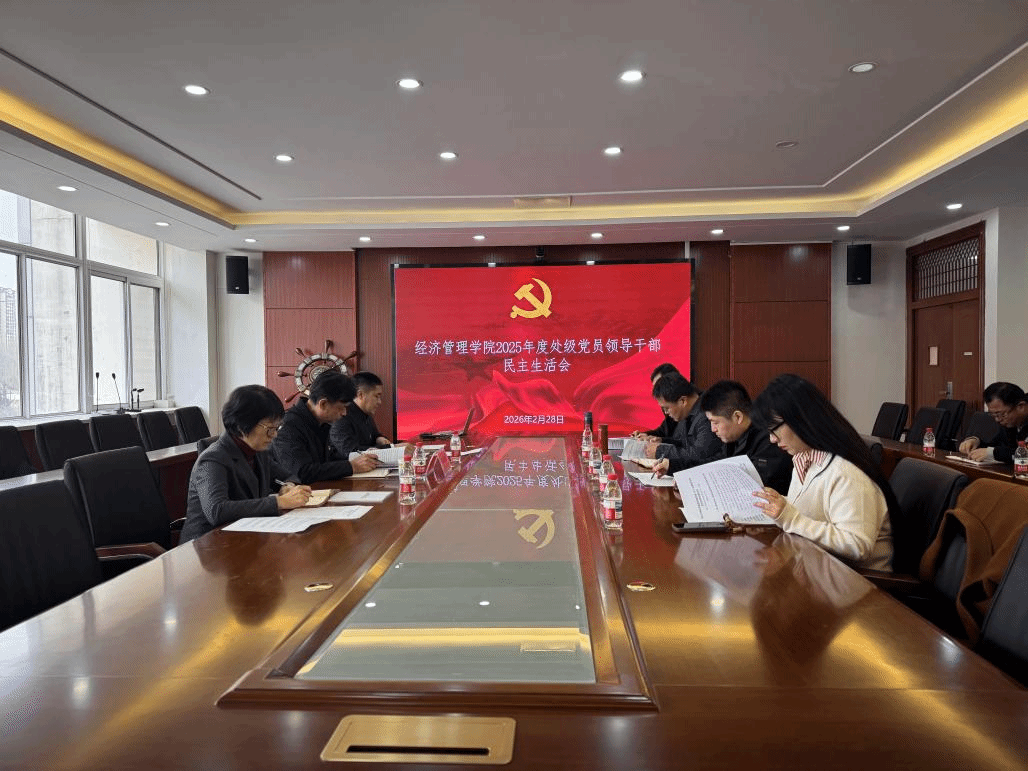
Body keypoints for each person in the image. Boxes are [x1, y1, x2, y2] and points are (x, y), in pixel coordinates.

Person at [749, 374, 897, 571]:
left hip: (857, 582)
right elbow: (814, 511)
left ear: (799, 419)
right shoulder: (804, 458)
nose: (772, 439)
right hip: (819, 570)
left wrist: (790, 518)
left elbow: (857, 545)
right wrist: (779, 504)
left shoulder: (847, 473)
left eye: (773, 429)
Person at [180, 385, 312, 543]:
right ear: (242, 425)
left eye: (277, 427)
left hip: (244, 537)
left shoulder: (257, 452)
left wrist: (288, 486)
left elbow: (288, 476)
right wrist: (279, 502)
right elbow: (217, 510)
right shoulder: (212, 459)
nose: (275, 434)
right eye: (270, 428)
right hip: (206, 546)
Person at [654, 379, 791, 493]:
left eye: (715, 422)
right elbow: (715, 463)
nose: (713, 429)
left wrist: (695, 481)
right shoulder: (734, 436)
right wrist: (673, 466)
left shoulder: (770, 440)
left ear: (737, 417)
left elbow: (750, 483)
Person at [272, 370, 378, 483]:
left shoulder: (322, 422)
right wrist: (351, 466)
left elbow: (327, 462)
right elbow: (302, 472)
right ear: (323, 404)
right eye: (341, 407)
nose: (344, 413)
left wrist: (360, 458)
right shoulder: (289, 426)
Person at [643, 372, 721, 467]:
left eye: (666, 408)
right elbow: (686, 444)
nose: (666, 412)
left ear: (683, 401)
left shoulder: (707, 414)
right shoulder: (687, 412)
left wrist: (660, 451)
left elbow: (699, 455)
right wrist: (662, 442)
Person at [958, 382, 1028, 463]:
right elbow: (998, 445)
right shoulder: (1010, 423)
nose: (997, 419)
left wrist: (994, 453)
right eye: (993, 415)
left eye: (1001, 414)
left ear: (1021, 407)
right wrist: (976, 442)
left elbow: (1025, 455)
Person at [330, 370, 393, 455]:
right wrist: (391, 447)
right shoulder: (342, 415)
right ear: (360, 395)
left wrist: (379, 438)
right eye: (376, 396)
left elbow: (375, 435)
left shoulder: (366, 414)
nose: (379, 402)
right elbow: (351, 451)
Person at [632, 363, 680, 442]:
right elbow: (663, 432)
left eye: (659, 386)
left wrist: (661, 441)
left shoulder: (690, 408)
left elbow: (684, 442)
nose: (656, 391)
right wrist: (644, 435)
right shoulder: (669, 407)